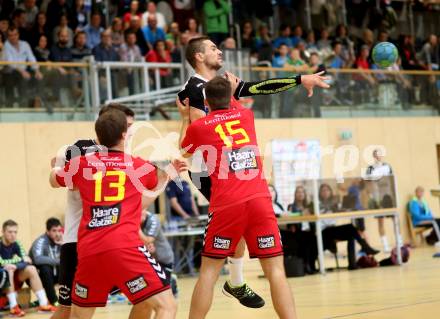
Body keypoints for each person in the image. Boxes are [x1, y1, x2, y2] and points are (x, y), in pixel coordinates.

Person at [177, 36, 329, 308]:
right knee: (239, 224)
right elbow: (200, 135)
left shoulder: (220, 86)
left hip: (232, 168)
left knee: (242, 225)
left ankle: (235, 281)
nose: (219, 50)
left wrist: (300, 79)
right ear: (198, 56)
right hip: (209, 169)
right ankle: (234, 280)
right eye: (213, 48)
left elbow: (257, 88)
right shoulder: (194, 87)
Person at [49, 109, 186, 319]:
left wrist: (58, 165)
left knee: (77, 315)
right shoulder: (139, 166)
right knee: (167, 307)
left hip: (88, 249)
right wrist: (169, 174)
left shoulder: (82, 164)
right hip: (124, 246)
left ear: (98, 135)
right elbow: (147, 194)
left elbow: (53, 180)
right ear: (124, 135)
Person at [180, 76, 297, 319]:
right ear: (231, 97)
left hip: (226, 204)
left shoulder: (199, 127)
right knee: (276, 271)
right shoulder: (246, 116)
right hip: (259, 199)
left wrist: (183, 117)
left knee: (209, 273)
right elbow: (231, 103)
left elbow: (184, 151)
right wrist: (233, 92)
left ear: (206, 102)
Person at [48, 104, 135, 319]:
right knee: (67, 309)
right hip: (77, 240)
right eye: (128, 125)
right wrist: (57, 170)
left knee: (147, 296)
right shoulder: (78, 149)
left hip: (110, 241)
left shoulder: (124, 155)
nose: (130, 131)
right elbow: (70, 184)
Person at [315, 184, 379, 270]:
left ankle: (353, 264)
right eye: (323, 190)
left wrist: (342, 209)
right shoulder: (317, 204)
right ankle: (365, 247)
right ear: (320, 193)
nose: (325, 192)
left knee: (351, 233)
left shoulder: (334, 204)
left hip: (332, 229)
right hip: (323, 232)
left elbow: (340, 213)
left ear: (330, 192)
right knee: (350, 228)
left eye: (327, 190)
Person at [0, 220, 56, 316]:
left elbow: (27, 260)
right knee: (8, 270)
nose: (13, 235)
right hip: (2, 280)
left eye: (15, 232)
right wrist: (19, 261)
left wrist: (16, 265)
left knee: (31, 269)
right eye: (10, 232)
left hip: (12, 278)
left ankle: (43, 303)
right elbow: (1, 262)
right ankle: (13, 307)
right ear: (3, 232)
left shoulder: (16, 243)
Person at [139, 210, 177, 298]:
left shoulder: (153, 219)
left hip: (163, 258)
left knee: (163, 292)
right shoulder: (136, 219)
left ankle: (172, 282)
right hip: (148, 257)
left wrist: (136, 228)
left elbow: (148, 240)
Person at [3, 27, 43, 107]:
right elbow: (11, 62)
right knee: (19, 77)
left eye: (15, 35)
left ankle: (38, 102)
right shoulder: (6, 45)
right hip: (11, 71)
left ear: (18, 35)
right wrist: (22, 71)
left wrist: (37, 70)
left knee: (39, 76)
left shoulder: (25, 44)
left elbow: (31, 58)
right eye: (11, 35)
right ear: (8, 37)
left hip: (24, 70)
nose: (13, 37)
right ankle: (17, 104)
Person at [165, 178, 199, 274]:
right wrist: (185, 216)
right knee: (176, 244)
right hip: (177, 219)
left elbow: (191, 199)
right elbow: (174, 203)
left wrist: (196, 215)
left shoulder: (185, 183)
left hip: (190, 218)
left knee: (190, 243)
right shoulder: (171, 185)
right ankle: (177, 270)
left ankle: (190, 268)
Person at [365, 148, 394, 252]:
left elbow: (392, 180)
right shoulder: (370, 169)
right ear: (373, 156)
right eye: (376, 155)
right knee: (380, 221)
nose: (378, 156)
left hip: (388, 196)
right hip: (377, 197)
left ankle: (399, 242)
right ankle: (385, 245)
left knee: (394, 218)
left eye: (379, 154)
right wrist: (371, 197)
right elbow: (368, 184)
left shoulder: (387, 167)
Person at [29, 218, 63, 306]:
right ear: (47, 231)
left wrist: (64, 245)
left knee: (71, 266)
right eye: (54, 231)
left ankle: (71, 298)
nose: (57, 234)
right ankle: (54, 300)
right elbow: (38, 259)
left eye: (59, 230)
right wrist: (58, 261)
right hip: (38, 276)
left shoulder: (62, 240)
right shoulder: (41, 241)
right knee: (45, 268)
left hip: (55, 273)